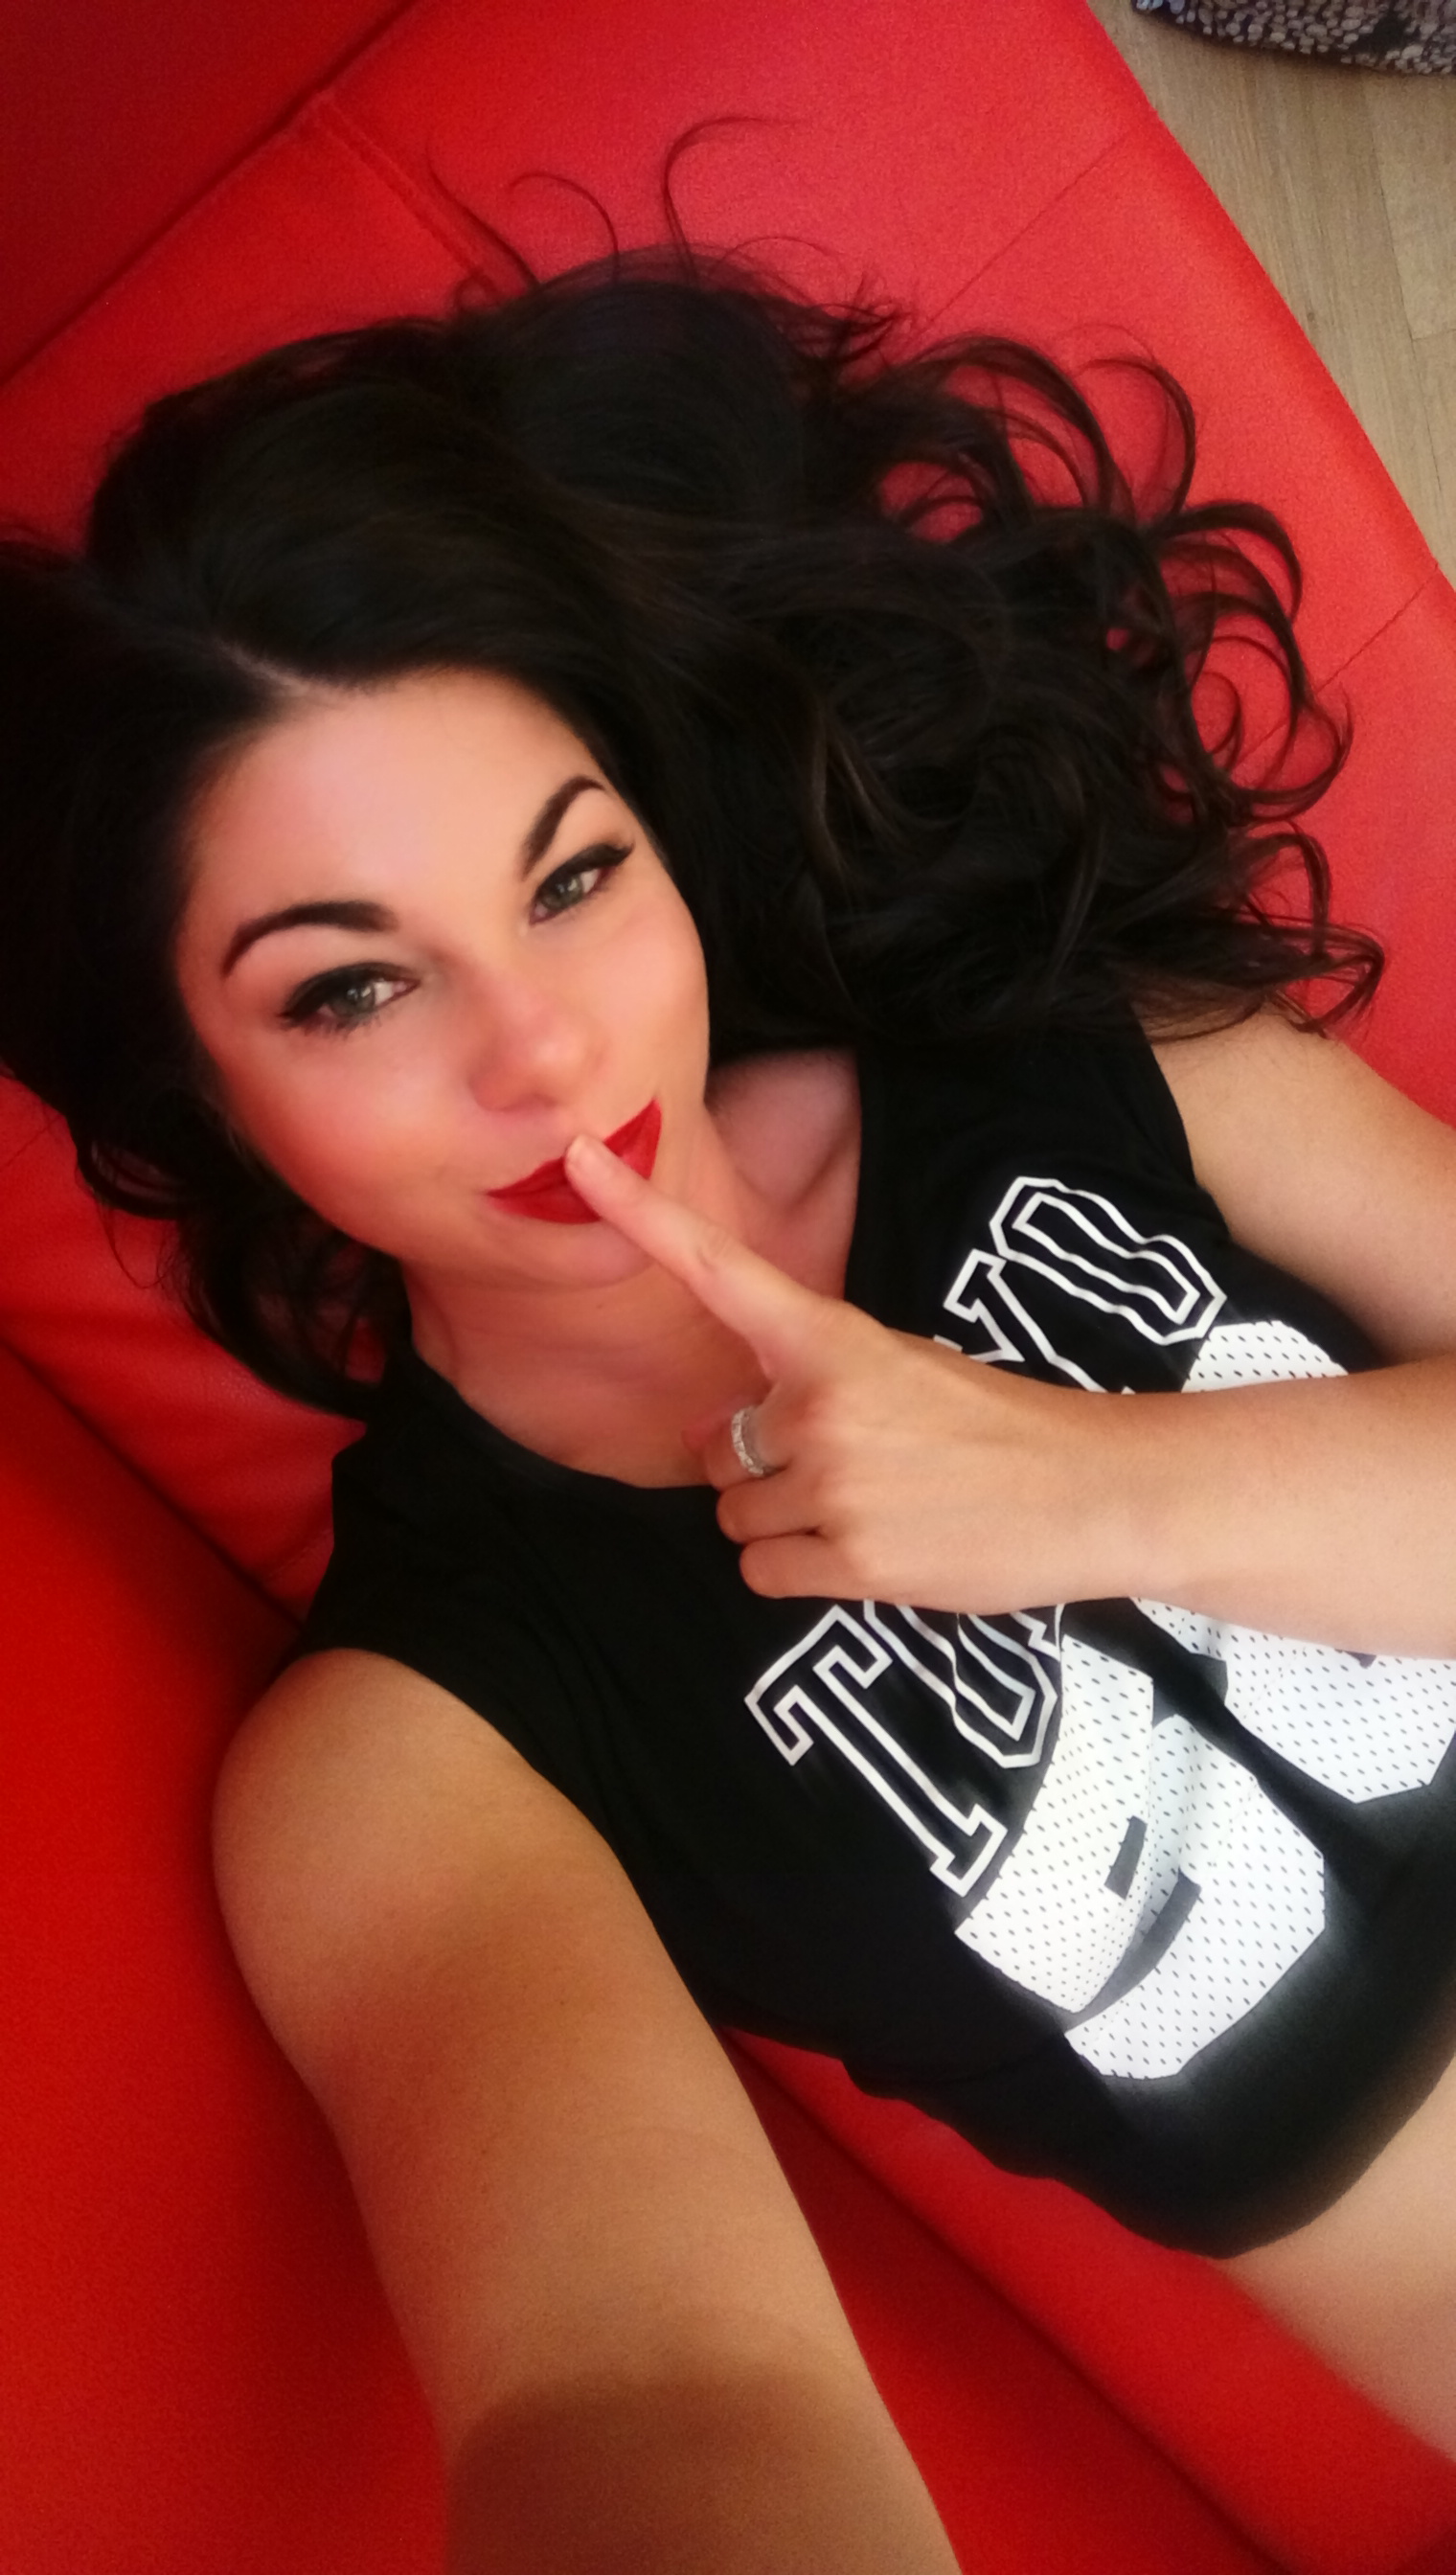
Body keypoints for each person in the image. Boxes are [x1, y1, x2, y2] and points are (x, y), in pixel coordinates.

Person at [3, 247, 1456, 2570]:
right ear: (195, 1087)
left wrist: (1084, 1482)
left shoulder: (1056, 1038)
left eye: (572, 878)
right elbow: (647, 2390)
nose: (543, 1053)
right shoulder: (422, 1746)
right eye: (353, 987)